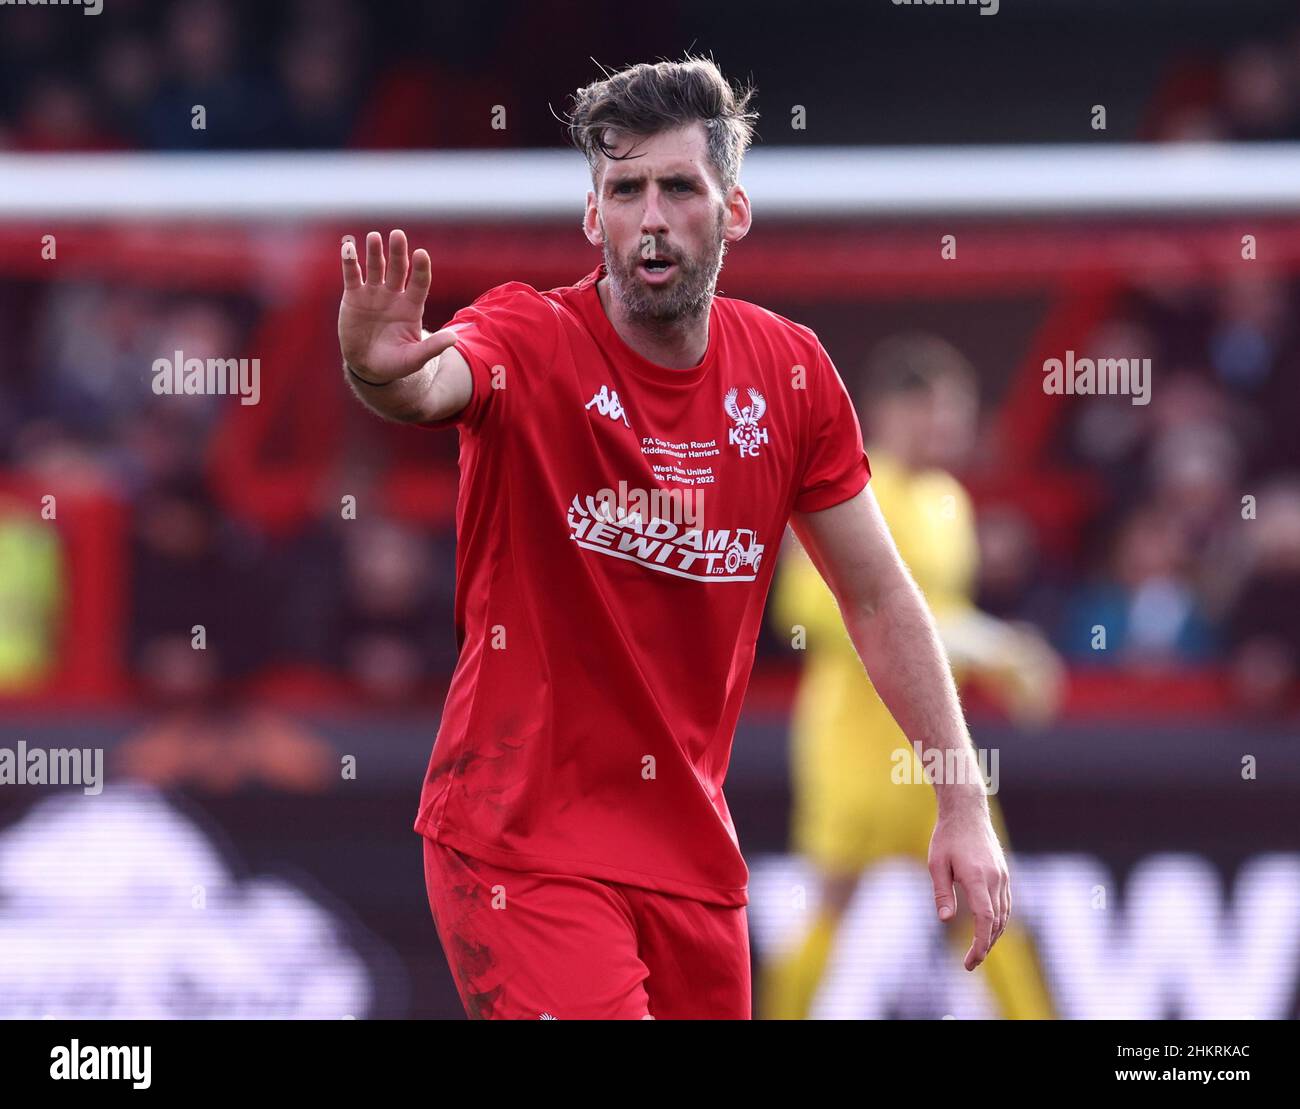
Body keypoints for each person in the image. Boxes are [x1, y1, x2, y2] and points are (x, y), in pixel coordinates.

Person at [337, 56, 1012, 1020]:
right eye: (625, 189)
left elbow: (878, 596)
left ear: (731, 209)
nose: (650, 217)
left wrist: (960, 800)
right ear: (591, 215)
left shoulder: (790, 375)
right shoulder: (528, 338)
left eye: (678, 187)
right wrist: (375, 370)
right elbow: (426, 385)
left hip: (691, 856)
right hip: (519, 841)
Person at [761, 334, 1063, 1019]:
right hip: (855, 752)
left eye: (958, 415)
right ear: (891, 411)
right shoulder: (848, 490)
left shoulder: (948, 500)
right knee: (830, 905)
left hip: (936, 748)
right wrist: (984, 644)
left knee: (988, 898)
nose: (950, 430)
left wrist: (998, 652)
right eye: (936, 413)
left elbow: (942, 615)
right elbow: (807, 608)